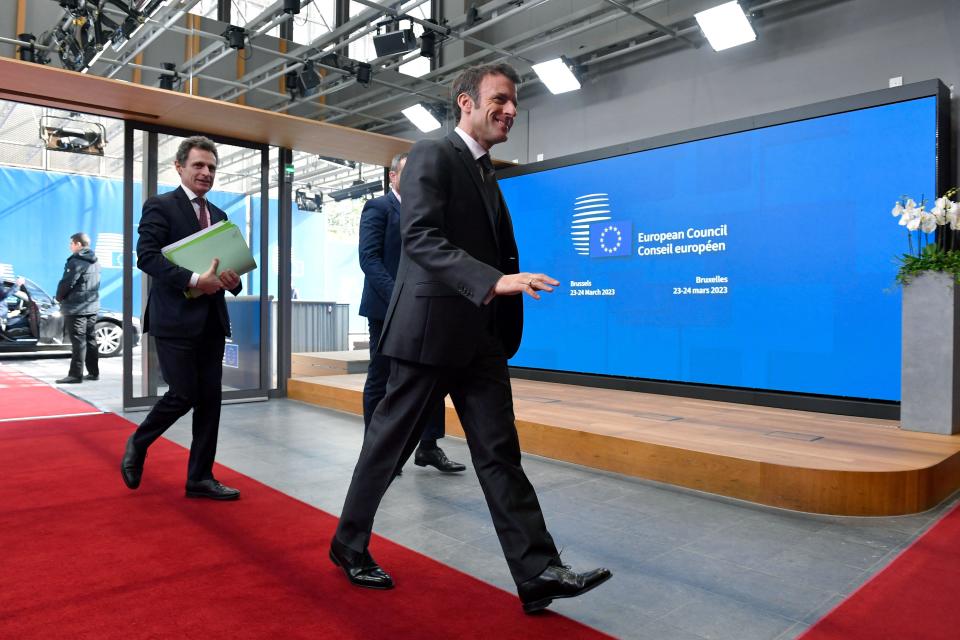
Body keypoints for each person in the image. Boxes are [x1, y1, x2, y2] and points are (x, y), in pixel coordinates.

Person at [330, 63, 611, 613]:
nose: (510, 110)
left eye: (514, 102)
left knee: (500, 454)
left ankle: (538, 573)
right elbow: (421, 239)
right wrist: (495, 281)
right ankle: (348, 544)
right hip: (429, 336)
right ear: (465, 102)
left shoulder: (485, 170)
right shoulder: (433, 152)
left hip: (480, 337)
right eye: (500, 99)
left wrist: (495, 291)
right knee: (387, 449)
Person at [121, 135, 243, 501]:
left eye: (211, 167)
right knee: (184, 392)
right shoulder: (160, 206)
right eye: (198, 166)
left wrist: (232, 280)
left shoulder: (219, 216)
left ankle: (200, 478)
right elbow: (146, 257)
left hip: (211, 321)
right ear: (180, 167)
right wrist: (193, 280)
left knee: (210, 401)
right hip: (174, 319)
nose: (206, 173)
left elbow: (226, 269)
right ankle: (139, 442)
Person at [358, 152, 466, 475]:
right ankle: (375, 452)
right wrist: (399, 298)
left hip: (427, 309)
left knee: (431, 375)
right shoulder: (378, 208)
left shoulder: (430, 212)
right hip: (386, 309)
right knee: (381, 378)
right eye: (408, 172)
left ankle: (428, 447)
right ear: (393, 177)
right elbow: (369, 260)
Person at [54, 233, 101, 384]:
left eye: (71, 243)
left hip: (76, 307)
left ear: (79, 244)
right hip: (91, 306)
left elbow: (67, 283)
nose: (70, 246)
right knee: (90, 339)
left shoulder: (75, 261)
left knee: (78, 342)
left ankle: (75, 375)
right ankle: (93, 373)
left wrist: (59, 297)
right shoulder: (95, 261)